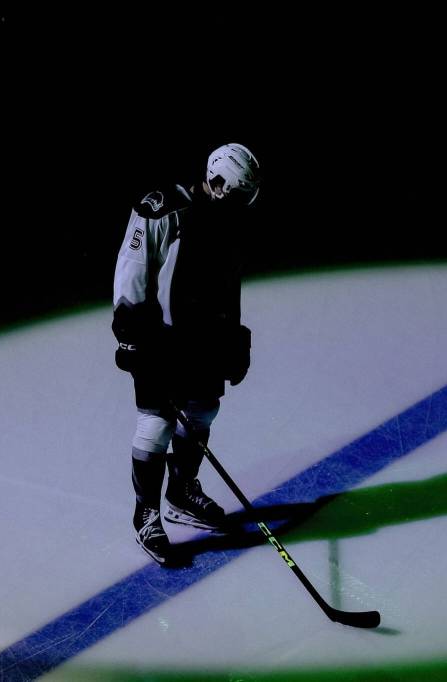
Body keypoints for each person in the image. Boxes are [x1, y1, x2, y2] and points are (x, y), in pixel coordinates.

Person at [112, 142, 260, 565]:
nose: (241, 205)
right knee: (156, 422)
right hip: (159, 338)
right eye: (235, 195)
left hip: (205, 337)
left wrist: (234, 336)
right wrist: (132, 336)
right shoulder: (161, 211)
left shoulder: (230, 220)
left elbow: (228, 283)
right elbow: (132, 271)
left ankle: (181, 494)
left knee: (202, 412)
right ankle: (147, 513)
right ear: (215, 184)